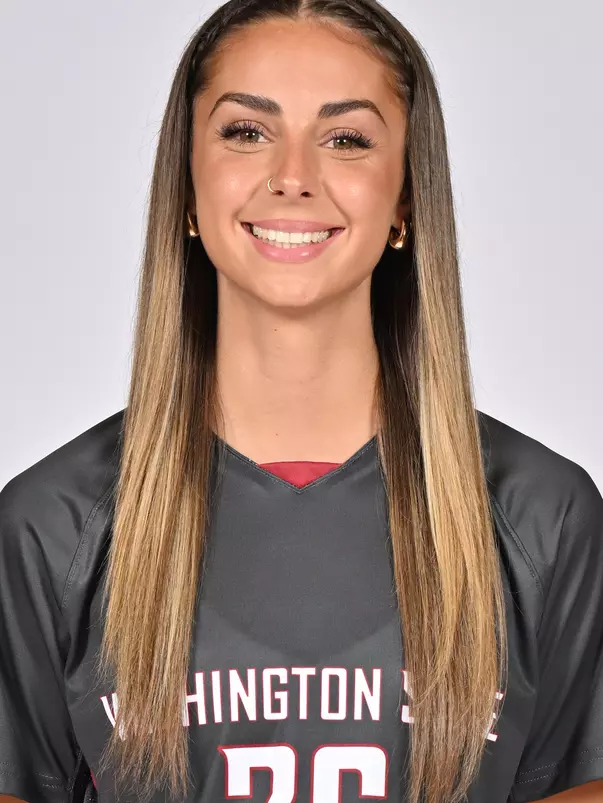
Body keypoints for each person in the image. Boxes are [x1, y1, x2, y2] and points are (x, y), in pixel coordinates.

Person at [1, 1, 602, 802]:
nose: (292, 175)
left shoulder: (539, 518)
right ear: (186, 185)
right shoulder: (54, 526)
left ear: (405, 199)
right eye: (246, 131)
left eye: (345, 138)